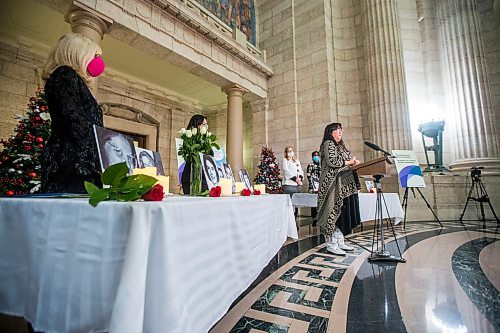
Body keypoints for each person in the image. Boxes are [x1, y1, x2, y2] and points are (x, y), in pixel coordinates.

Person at [40, 32, 106, 193]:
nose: (98, 61)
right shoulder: (64, 74)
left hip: (79, 159)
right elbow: (75, 121)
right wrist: (97, 159)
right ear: (79, 54)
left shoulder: (72, 79)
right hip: (73, 162)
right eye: (94, 55)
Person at [317, 123, 361, 256]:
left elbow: (345, 160)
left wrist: (354, 162)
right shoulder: (328, 144)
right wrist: (349, 162)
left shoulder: (341, 145)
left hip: (342, 184)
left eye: (341, 129)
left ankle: (339, 242)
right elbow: (332, 162)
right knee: (331, 211)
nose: (340, 132)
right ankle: (331, 244)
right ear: (330, 132)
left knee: (340, 213)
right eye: (337, 129)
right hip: (331, 184)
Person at [181, 114, 209, 194]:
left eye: (206, 124)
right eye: (204, 124)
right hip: (189, 176)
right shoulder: (188, 139)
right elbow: (189, 157)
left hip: (203, 178)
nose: (206, 126)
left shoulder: (206, 140)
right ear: (196, 124)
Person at [282, 146, 304, 217]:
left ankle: (295, 221)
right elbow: (286, 171)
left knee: (296, 204)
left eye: (291, 151)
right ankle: (290, 221)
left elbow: (300, 171)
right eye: (288, 151)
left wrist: (300, 178)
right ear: (286, 152)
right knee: (290, 205)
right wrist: (296, 179)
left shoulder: (296, 161)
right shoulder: (285, 160)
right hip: (289, 185)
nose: (290, 152)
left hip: (297, 186)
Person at [306, 150, 321, 226]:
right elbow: (309, 176)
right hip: (313, 187)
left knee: (320, 203)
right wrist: (313, 186)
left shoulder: (321, 165)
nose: (316, 157)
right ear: (312, 157)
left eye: (317, 155)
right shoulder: (310, 165)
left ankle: (321, 219)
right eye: (315, 155)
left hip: (321, 187)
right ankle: (314, 219)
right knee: (313, 204)